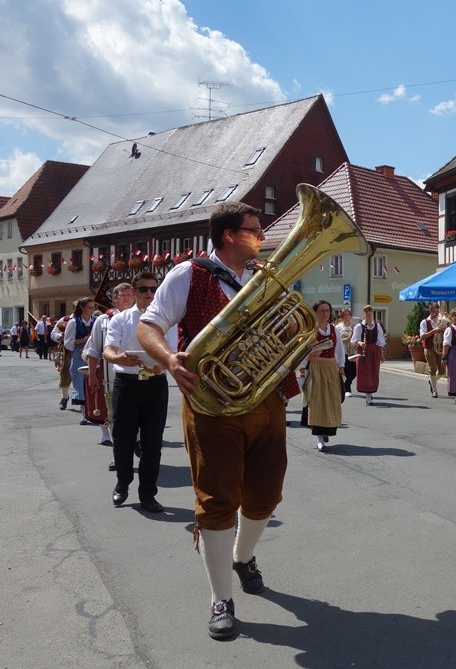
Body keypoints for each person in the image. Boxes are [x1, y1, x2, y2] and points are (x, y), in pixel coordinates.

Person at [138, 201, 296, 640]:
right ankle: (220, 599)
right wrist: (169, 358)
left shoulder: (266, 276)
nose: (262, 236)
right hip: (211, 404)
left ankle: (242, 558)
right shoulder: (188, 274)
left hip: (266, 400)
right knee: (216, 499)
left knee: (267, 494)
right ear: (230, 235)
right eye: (255, 229)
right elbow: (148, 327)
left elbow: (283, 331)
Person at [105, 273, 175, 513]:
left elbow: (173, 352)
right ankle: (122, 484)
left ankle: (148, 494)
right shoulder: (121, 319)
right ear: (134, 292)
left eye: (153, 289)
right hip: (127, 383)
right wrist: (119, 357)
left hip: (155, 383)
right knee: (123, 440)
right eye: (144, 289)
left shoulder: (167, 321)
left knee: (152, 443)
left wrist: (164, 363)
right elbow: (108, 350)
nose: (149, 294)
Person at [84, 283, 135, 453]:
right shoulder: (103, 321)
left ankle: (137, 443)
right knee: (114, 418)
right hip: (111, 380)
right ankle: (118, 454)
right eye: (123, 295)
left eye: (130, 294)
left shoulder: (142, 317)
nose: (127, 297)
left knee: (138, 417)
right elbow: (93, 350)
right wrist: (92, 376)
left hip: (138, 377)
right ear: (114, 298)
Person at [304, 300, 346, 452]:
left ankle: (327, 430)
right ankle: (319, 438)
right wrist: (303, 369)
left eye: (327, 311)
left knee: (331, 400)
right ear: (315, 313)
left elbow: (340, 350)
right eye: (321, 311)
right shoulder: (310, 330)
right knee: (317, 401)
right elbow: (303, 351)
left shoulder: (334, 330)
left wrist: (341, 367)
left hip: (330, 366)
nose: (325, 314)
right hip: (316, 366)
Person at [64, 297, 97, 423]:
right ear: (82, 308)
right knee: (81, 384)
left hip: (94, 355)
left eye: (93, 308)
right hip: (78, 354)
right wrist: (85, 339)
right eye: (89, 307)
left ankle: (95, 412)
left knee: (95, 383)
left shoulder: (96, 320)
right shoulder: (73, 322)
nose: (91, 310)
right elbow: (67, 343)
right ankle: (84, 414)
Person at [351, 304, 387, 405]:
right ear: (363, 314)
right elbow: (353, 340)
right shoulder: (359, 326)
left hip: (374, 352)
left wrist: (382, 354)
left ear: (372, 313)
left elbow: (380, 342)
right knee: (365, 373)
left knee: (373, 373)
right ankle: (368, 396)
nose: (368, 313)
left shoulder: (377, 326)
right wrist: (360, 343)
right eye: (366, 311)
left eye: (369, 311)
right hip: (363, 352)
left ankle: (370, 393)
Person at [418, 302, 447, 398]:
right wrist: (435, 330)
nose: (436, 314)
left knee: (442, 370)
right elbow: (422, 337)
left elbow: (446, 333)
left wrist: (445, 328)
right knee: (433, 368)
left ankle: (432, 381)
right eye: (434, 311)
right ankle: (435, 391)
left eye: (437, 312)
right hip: (429, 347)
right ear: (430, 311)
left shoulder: (440, 320)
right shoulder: (424, 322)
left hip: (440, 347)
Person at [335, 307, 357, 394]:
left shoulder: (354, 326)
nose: (346, 317)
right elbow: (335, 340)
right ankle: (347, 388)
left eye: (348, 315)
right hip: (343, 351)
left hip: (353, 351)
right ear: (342, 317)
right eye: (344, 315)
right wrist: (344, 340)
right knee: (347, 370)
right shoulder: (338, 327)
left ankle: (347, 383)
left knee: (354, 371)